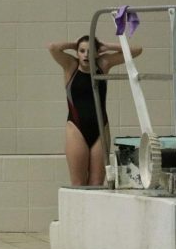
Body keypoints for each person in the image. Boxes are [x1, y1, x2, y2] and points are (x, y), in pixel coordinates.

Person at [48, 35, 142, 186]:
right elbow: (53, 47)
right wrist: (74, 44)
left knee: (97, 183)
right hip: (76, 129)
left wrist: (107, 46)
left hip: (100, 129)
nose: (85, 54)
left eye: (90, 51)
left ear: (97, 53)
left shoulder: (103, 64)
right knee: (78, 183)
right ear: (77, 53)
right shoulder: (70, 66)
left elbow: (137, 50)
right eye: (82, 51)